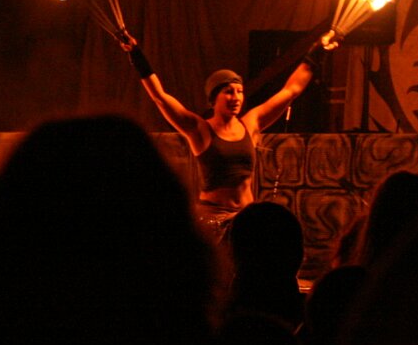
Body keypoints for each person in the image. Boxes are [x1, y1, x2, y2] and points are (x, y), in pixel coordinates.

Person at [125, 37, 322, 235]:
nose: (236, 98)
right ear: (213, 99)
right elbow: (160, 97)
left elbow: (291, 90)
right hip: (212, 219)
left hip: (246, 217)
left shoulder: (251, 123)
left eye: (240, 91)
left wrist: (318, 50)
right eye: (228, 92)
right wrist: (136, 53)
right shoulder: (199, 129)